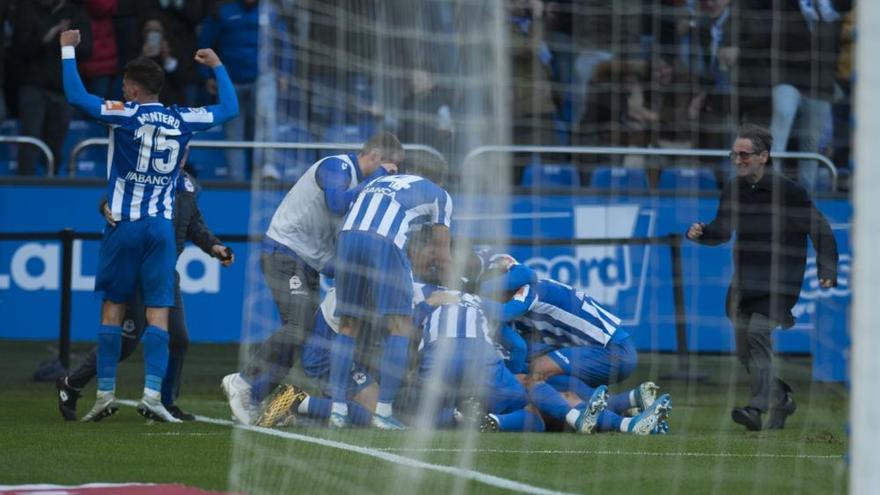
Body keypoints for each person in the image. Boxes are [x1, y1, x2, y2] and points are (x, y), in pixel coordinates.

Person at [60, 29, 239, 422]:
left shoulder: (126, 114)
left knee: (112, 310)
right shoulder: (181, 119)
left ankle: (105, 393)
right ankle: (153, 396)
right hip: (161, 228)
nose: (122, 92)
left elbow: (75, 96)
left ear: (136, 91)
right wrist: (219, 66)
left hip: (124, 225)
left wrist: (68, 51)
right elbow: (229, 109)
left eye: (125, 87)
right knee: (159, 314)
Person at [220, 133, 404, 425]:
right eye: (389, 169)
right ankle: (243, 381)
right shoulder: (336, 167)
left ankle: (254, 395)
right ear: (375, 157)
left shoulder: (360, 188)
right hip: (285, 252)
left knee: (302, 335)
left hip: (307, 263)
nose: (390, 178)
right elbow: (336, 204)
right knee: (299, 325)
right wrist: (379, 178)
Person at [687, 124, 838, 431]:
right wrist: (702, 233)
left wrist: (827, 269)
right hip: (745, 281)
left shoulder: (789, 192)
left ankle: (756, 409)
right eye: (734, 155)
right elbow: (722, 231)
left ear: (763, 156)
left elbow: (820, 228)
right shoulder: (734, 188)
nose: (738, 160)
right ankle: (782, 399)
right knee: (746, 353)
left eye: (744, 154)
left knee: (757, 335)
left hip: (780, 282)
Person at [56, 167, 235, 422]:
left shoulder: (188, 186)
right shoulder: (145, 173)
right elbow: (115, 195)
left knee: (179, 339)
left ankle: (164, 401)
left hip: (164, 271)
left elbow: (194, 223)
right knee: (125, 345)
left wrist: (214, 246)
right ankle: (71, 384)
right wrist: (105, 203)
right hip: (135, 268)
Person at [327, 169, 453, 430]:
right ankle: (383, 412)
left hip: (348, 237)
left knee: (349, 325)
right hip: (383, 240)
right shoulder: (440, 194)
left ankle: (336, 409)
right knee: (400, 325)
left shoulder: (378, 180)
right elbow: (442, 251)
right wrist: (455, 287)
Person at [13, 0, 92, 175]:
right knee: (30, 141)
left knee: (56, 144)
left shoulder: (76, 13)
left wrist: (68, 44)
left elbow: (87, 51)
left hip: (63, 90)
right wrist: (49, 36)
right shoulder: (28, 9)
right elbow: (20, 48)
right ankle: (24, 187)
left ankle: (52, 184)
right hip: (33, 86)